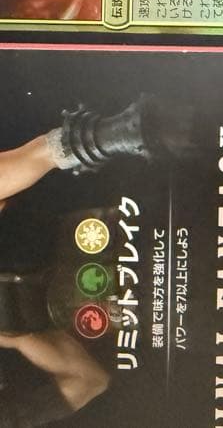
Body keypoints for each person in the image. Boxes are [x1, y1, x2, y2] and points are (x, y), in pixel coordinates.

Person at [0, 97, 184, 425]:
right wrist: (20, 337)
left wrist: (104, 138)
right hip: (146, 313)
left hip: (129, 229)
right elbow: (88, 380)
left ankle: (111, 134)